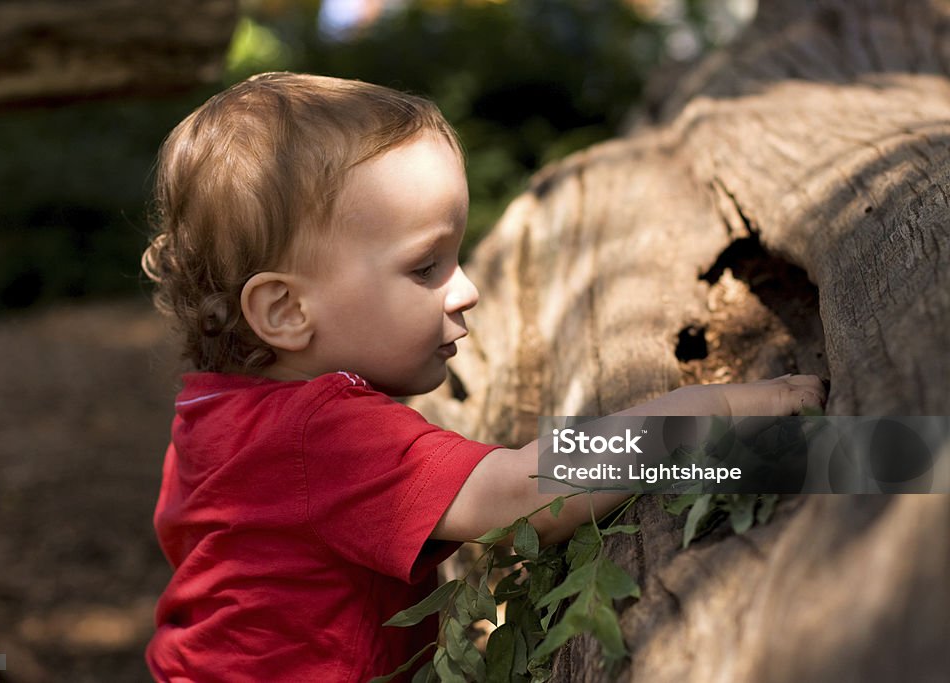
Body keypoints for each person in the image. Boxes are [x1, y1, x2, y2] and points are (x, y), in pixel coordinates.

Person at [141, 72, 826, 682]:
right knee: (886, 456)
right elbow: (520, 496)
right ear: (285, 310)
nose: (466, 289)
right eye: (425, 267)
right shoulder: (322, 433)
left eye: (455, 255)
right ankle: (920, 452)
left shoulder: (214, 410)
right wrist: (700, 414)